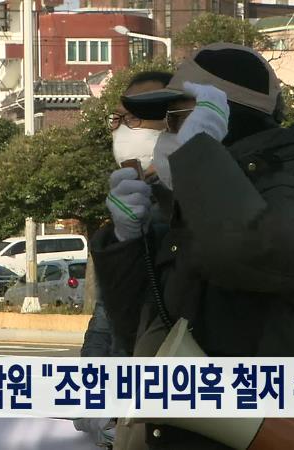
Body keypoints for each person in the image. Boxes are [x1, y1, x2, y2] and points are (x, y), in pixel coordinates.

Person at [91, 43, 294, 449]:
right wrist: (128, 241)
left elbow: (254, 257)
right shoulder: (200, 199)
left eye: (176, 119)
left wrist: (199, 157)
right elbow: (143, 330)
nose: (166, 135)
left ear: (224, 116)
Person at [75, 70, 174, 449]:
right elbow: (106, 321)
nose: (120, 127)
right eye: (116, 118)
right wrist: (93, 396)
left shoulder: (197, 204)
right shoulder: (131, 202)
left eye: (134, 117)